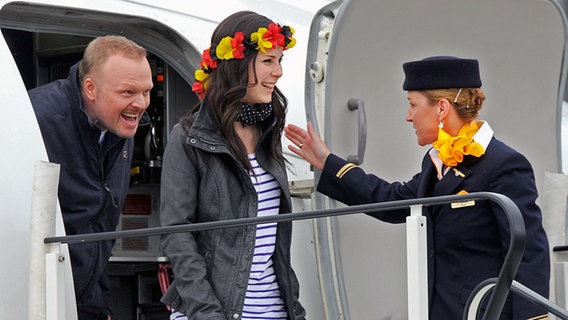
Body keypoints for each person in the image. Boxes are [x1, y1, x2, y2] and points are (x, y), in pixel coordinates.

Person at [284, 56, 550, 319]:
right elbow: (393, 201)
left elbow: (527, 251)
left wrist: (533, 318)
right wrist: (328, 163)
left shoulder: (503, 164)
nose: (408, 117)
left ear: (442, 108)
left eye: (412, 105)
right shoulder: (435, 161)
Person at [159, 10, 306, 320]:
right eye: (268, 61)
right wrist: (208, 314)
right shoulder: (188, 137)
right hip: (214, 313)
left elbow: (272, 242)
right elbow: (177, 235)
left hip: (276, 311)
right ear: (238, 65)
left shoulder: (268, 130)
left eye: (280, 61)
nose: (278, 72)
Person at [29, 35, 153, 320]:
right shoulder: (37, 119)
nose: (140, 103)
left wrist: (100, 303)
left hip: (86, 299)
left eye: (146, 91)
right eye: (128, 92)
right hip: (35, 298)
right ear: (90, 88)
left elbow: (97, 225)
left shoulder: (121, 124)